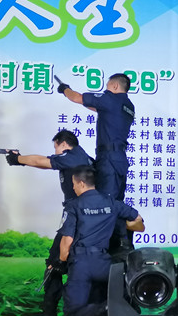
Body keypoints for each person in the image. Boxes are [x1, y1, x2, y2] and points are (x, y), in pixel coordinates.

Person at [5, 129, 94, 316]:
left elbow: (41, 161)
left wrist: (17, 159)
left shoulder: (72, 156)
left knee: (54, 263)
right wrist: (21, 160)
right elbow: (44, 163)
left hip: (76, 219)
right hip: (87, 220)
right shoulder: (82, 158)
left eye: (56, 147)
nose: (55, 152)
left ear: (64, 144)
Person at [57, 73, 135, 255]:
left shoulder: (110, 99)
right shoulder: (128, 106)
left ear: (114, 86)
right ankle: (121, 244)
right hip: (120, 160)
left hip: (108, 159)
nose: (106, 89)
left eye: (107, 86)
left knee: (104, 203)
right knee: (116, 202)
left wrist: (65, 89)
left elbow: (77, 98)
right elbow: (98, 108)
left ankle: (106, 248)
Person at [58, 165, 144, 316]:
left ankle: (107, 308)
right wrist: (127, 225)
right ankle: (115, 307)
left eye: (74, 184)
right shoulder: (111, 202)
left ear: (81, 183)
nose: (73, 188)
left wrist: (62, 261)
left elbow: (67, 240)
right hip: (104, 262)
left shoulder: (74, 205)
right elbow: (138, 222)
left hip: (81, 262)